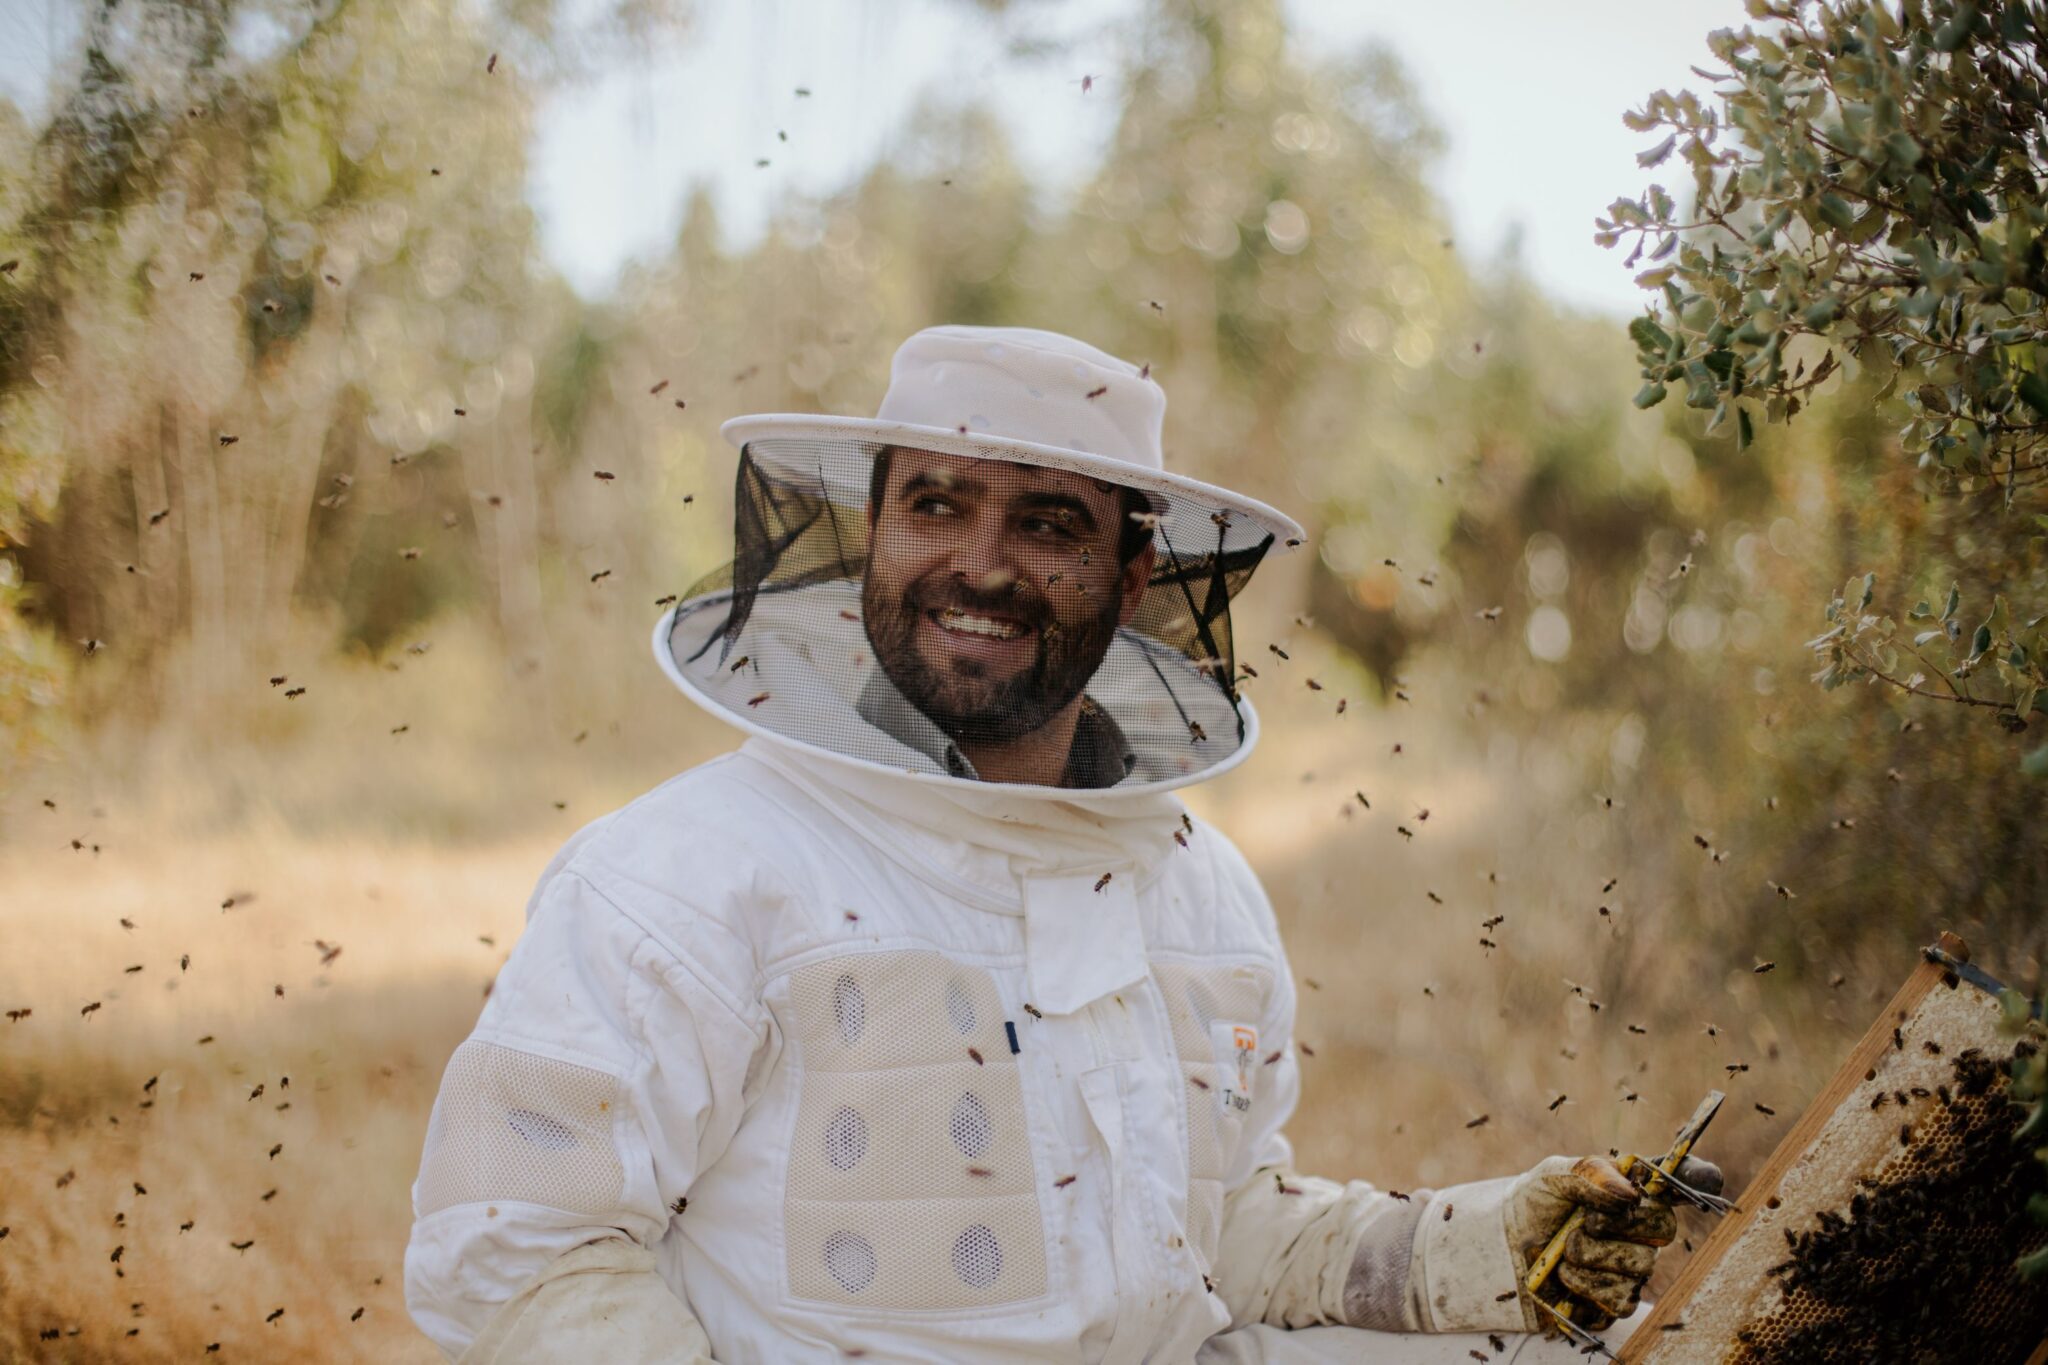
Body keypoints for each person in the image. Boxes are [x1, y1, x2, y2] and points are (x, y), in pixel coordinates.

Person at [403, 325, 1719, 1363]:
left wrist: (1460, 1250)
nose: (980, 562)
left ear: (1135, 577)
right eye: (937, 503)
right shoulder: (684, 874)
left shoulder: (1200, 891)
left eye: (1045, 522)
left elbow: (1207, 1237)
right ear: (875, 530)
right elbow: (518, 1247)